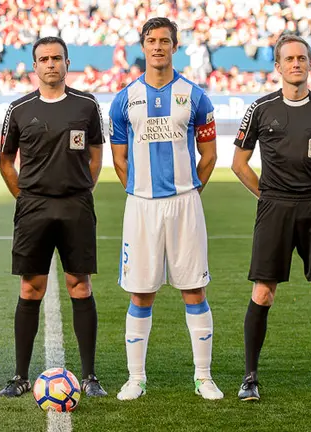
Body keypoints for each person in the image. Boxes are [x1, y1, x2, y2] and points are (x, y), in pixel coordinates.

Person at [231, 34, 311, 403]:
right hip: (275, 208)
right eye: (289, 59)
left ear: (310, 64)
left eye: (302, 58)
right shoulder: (260, 108)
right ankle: (250, 378)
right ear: (278, 66)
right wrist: (267, 195)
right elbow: (239, 163)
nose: (296, 64)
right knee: (263, 292)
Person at [108, 17, 223, 401]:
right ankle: (136, 378)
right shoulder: (124, 99)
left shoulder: (196, 96)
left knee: (194, 289)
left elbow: (209, 155)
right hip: (141, 207)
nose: (157, 47)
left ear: (175, 46)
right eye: (151, 40)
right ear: (143, 46)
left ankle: (203, 377)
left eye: (164, 41)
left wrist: (189, 190)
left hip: (185, 204)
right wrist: (140, 190)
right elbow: (119, 159)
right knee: (141, 293)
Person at [0, 36, 106, 398]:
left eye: (56, 58)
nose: (50, 64)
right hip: (34, 208)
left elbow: (95, 154)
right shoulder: (19, 108)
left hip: (76, 206)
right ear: (35, 66)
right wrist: (25, 197)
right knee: (31, 287)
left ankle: (89, 377)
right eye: (43, 59)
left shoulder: (87, 105)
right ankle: (19, 376)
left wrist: (82, 188)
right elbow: (5, 161)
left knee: (80, 285)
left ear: (67, 63)